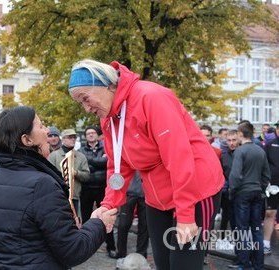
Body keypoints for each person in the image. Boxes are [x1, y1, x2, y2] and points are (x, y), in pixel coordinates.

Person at [68, 59, 224, 270]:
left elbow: (178, 157)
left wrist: (186, 214)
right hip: (157, 196)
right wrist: (108, 205)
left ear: (105, 84)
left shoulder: (151, 98)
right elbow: (118, 166)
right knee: (163, 265)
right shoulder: (109, 119)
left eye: (85, 98)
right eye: (80, 103)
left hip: (195, 190)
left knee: (184, 265)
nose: (86, 108)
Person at [0, 106, 117, 269]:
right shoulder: (41, 185)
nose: (47, 131)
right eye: (41, 126)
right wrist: (99, 223)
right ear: (27, 140)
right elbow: (73, 250)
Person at [228, 121, 271, 270]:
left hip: (242, 194)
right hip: (257, 193)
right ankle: (258, 265)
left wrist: (232, 192)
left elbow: (235, 176)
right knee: (256, 229)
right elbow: (266, 175)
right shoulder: (260, 150)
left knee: (242, 230)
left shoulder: (240, 151)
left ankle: (244, 264)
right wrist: (261, 189)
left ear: (240, 134)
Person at [79, 125, 116, 258]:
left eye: (92, 133)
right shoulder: (81, 150)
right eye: (88, 133)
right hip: (87, 189)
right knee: (87, 219)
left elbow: (106, 163)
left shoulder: (106, 147)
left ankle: (111, 247)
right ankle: (86, 247)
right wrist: (99, 162)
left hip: (103, 188)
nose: (90, 135)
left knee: (107, 218)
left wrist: (91, 161)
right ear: (85, 136)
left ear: (97, 134)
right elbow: (85, 168)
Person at [48, 128, 90, 215]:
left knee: (75, 222)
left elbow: (87, 176)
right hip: (58, 196)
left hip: (75, 196)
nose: (73, 139)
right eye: (70, 137)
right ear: (63, 139)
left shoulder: (81, 156)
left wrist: (76, 173)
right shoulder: (54, 156)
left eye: (74, 137)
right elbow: (48, 175)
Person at [116, 171, 149, 259]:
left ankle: (141, 253)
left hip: (145, 194)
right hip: (129, 192)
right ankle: (121, 253)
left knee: (144, 225)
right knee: (123, 224)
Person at [262, 121, 279, 255]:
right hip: (273, 185)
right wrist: (266, 182)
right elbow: (264, 164)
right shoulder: (269, 144)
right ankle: (266, 243)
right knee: (270, 213)